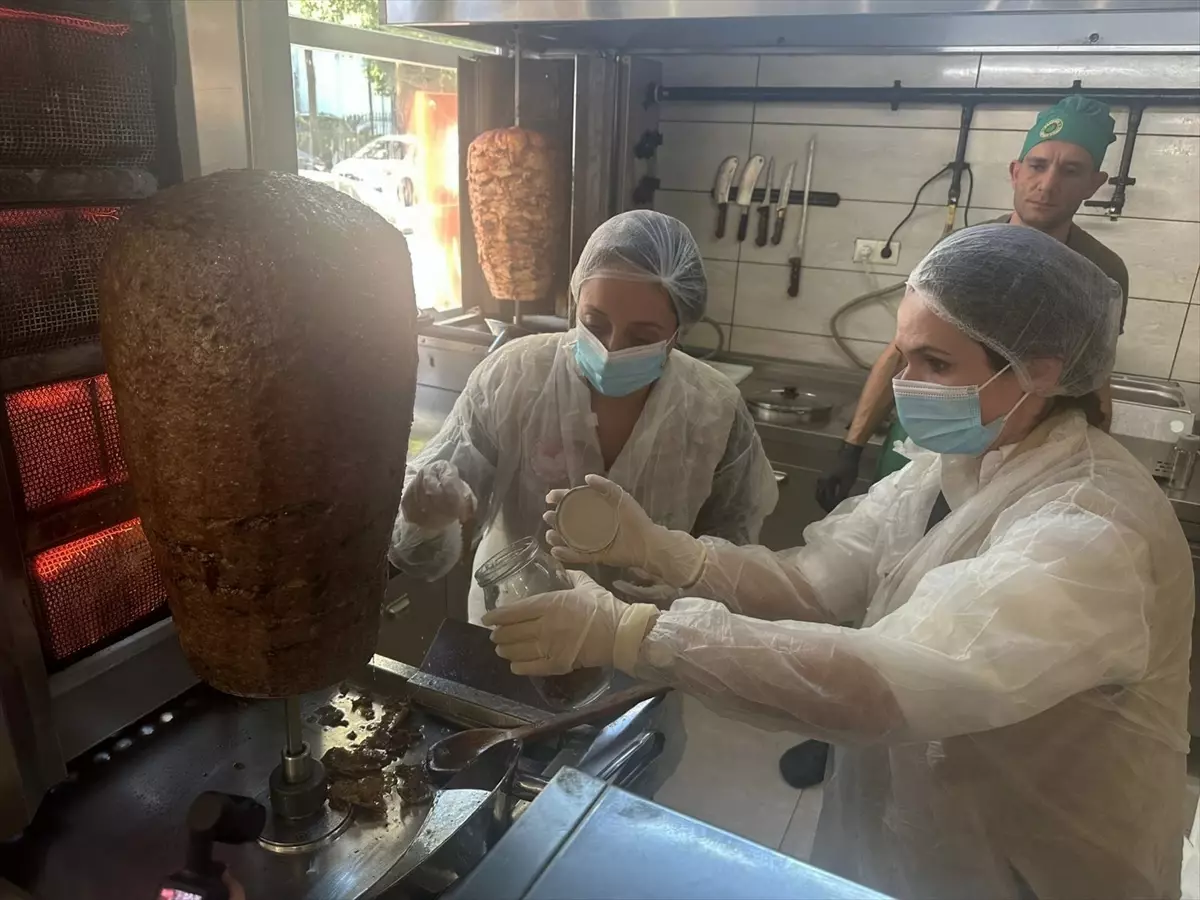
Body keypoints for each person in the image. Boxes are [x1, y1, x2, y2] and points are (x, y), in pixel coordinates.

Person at [483, 224, 1195, 900]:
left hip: (1038, 870)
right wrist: (669, 552)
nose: (904, 384)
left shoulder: (1091, 529)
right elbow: (812, 584)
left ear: (1039, 371)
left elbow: (881, 684)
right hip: (918, 849)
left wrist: (634, 634)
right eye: (905, 356)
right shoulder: (949, 470)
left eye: (935, 363)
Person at [390, 209, 778, 623]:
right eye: (594, 322)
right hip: (516, 623)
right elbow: (428, 543)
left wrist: (689, 584)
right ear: (576, 304)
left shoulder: (713, 409)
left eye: (642, 336)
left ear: (676, 333)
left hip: (650, 635)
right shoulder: (513, 377)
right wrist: (428, 514)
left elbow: (732, 554)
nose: (611, 348)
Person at [816, 95, 1130, 514]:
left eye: (1070, 170)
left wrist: (1088, 467)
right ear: (1015, 172)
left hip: (1025, 459)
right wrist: (851, 447)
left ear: (1094, 183)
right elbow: (903, 352)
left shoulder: (1101, 274)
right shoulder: (964, 253)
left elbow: (1093, 377)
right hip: (931, 441)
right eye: (1037, 166)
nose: (1048, 184)